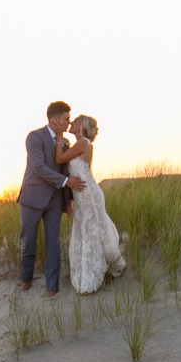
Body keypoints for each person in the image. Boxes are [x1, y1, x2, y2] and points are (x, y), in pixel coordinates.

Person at [17, 102, 88, 297]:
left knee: (53, 243)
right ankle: (26, 279)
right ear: (54, 119)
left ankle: (52, 287)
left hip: (55, 200)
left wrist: (68, 201)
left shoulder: (64, 142)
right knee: (28, 240)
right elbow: (38, 168)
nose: (68, 123)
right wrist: (66, 182)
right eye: (66, 119)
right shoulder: (34, 137)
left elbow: (67, 169)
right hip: (32, 198)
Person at [55, 114, 127, 294]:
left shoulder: (83, 143)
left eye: (76, 120)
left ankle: (93, 275)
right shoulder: (81, 144)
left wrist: (58, 138)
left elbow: (59, 159)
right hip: (82, 193)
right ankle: (106, 265)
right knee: (87, 228)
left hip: (88, 193)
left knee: (89, 230)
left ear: (83, 127)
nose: (72, 122)